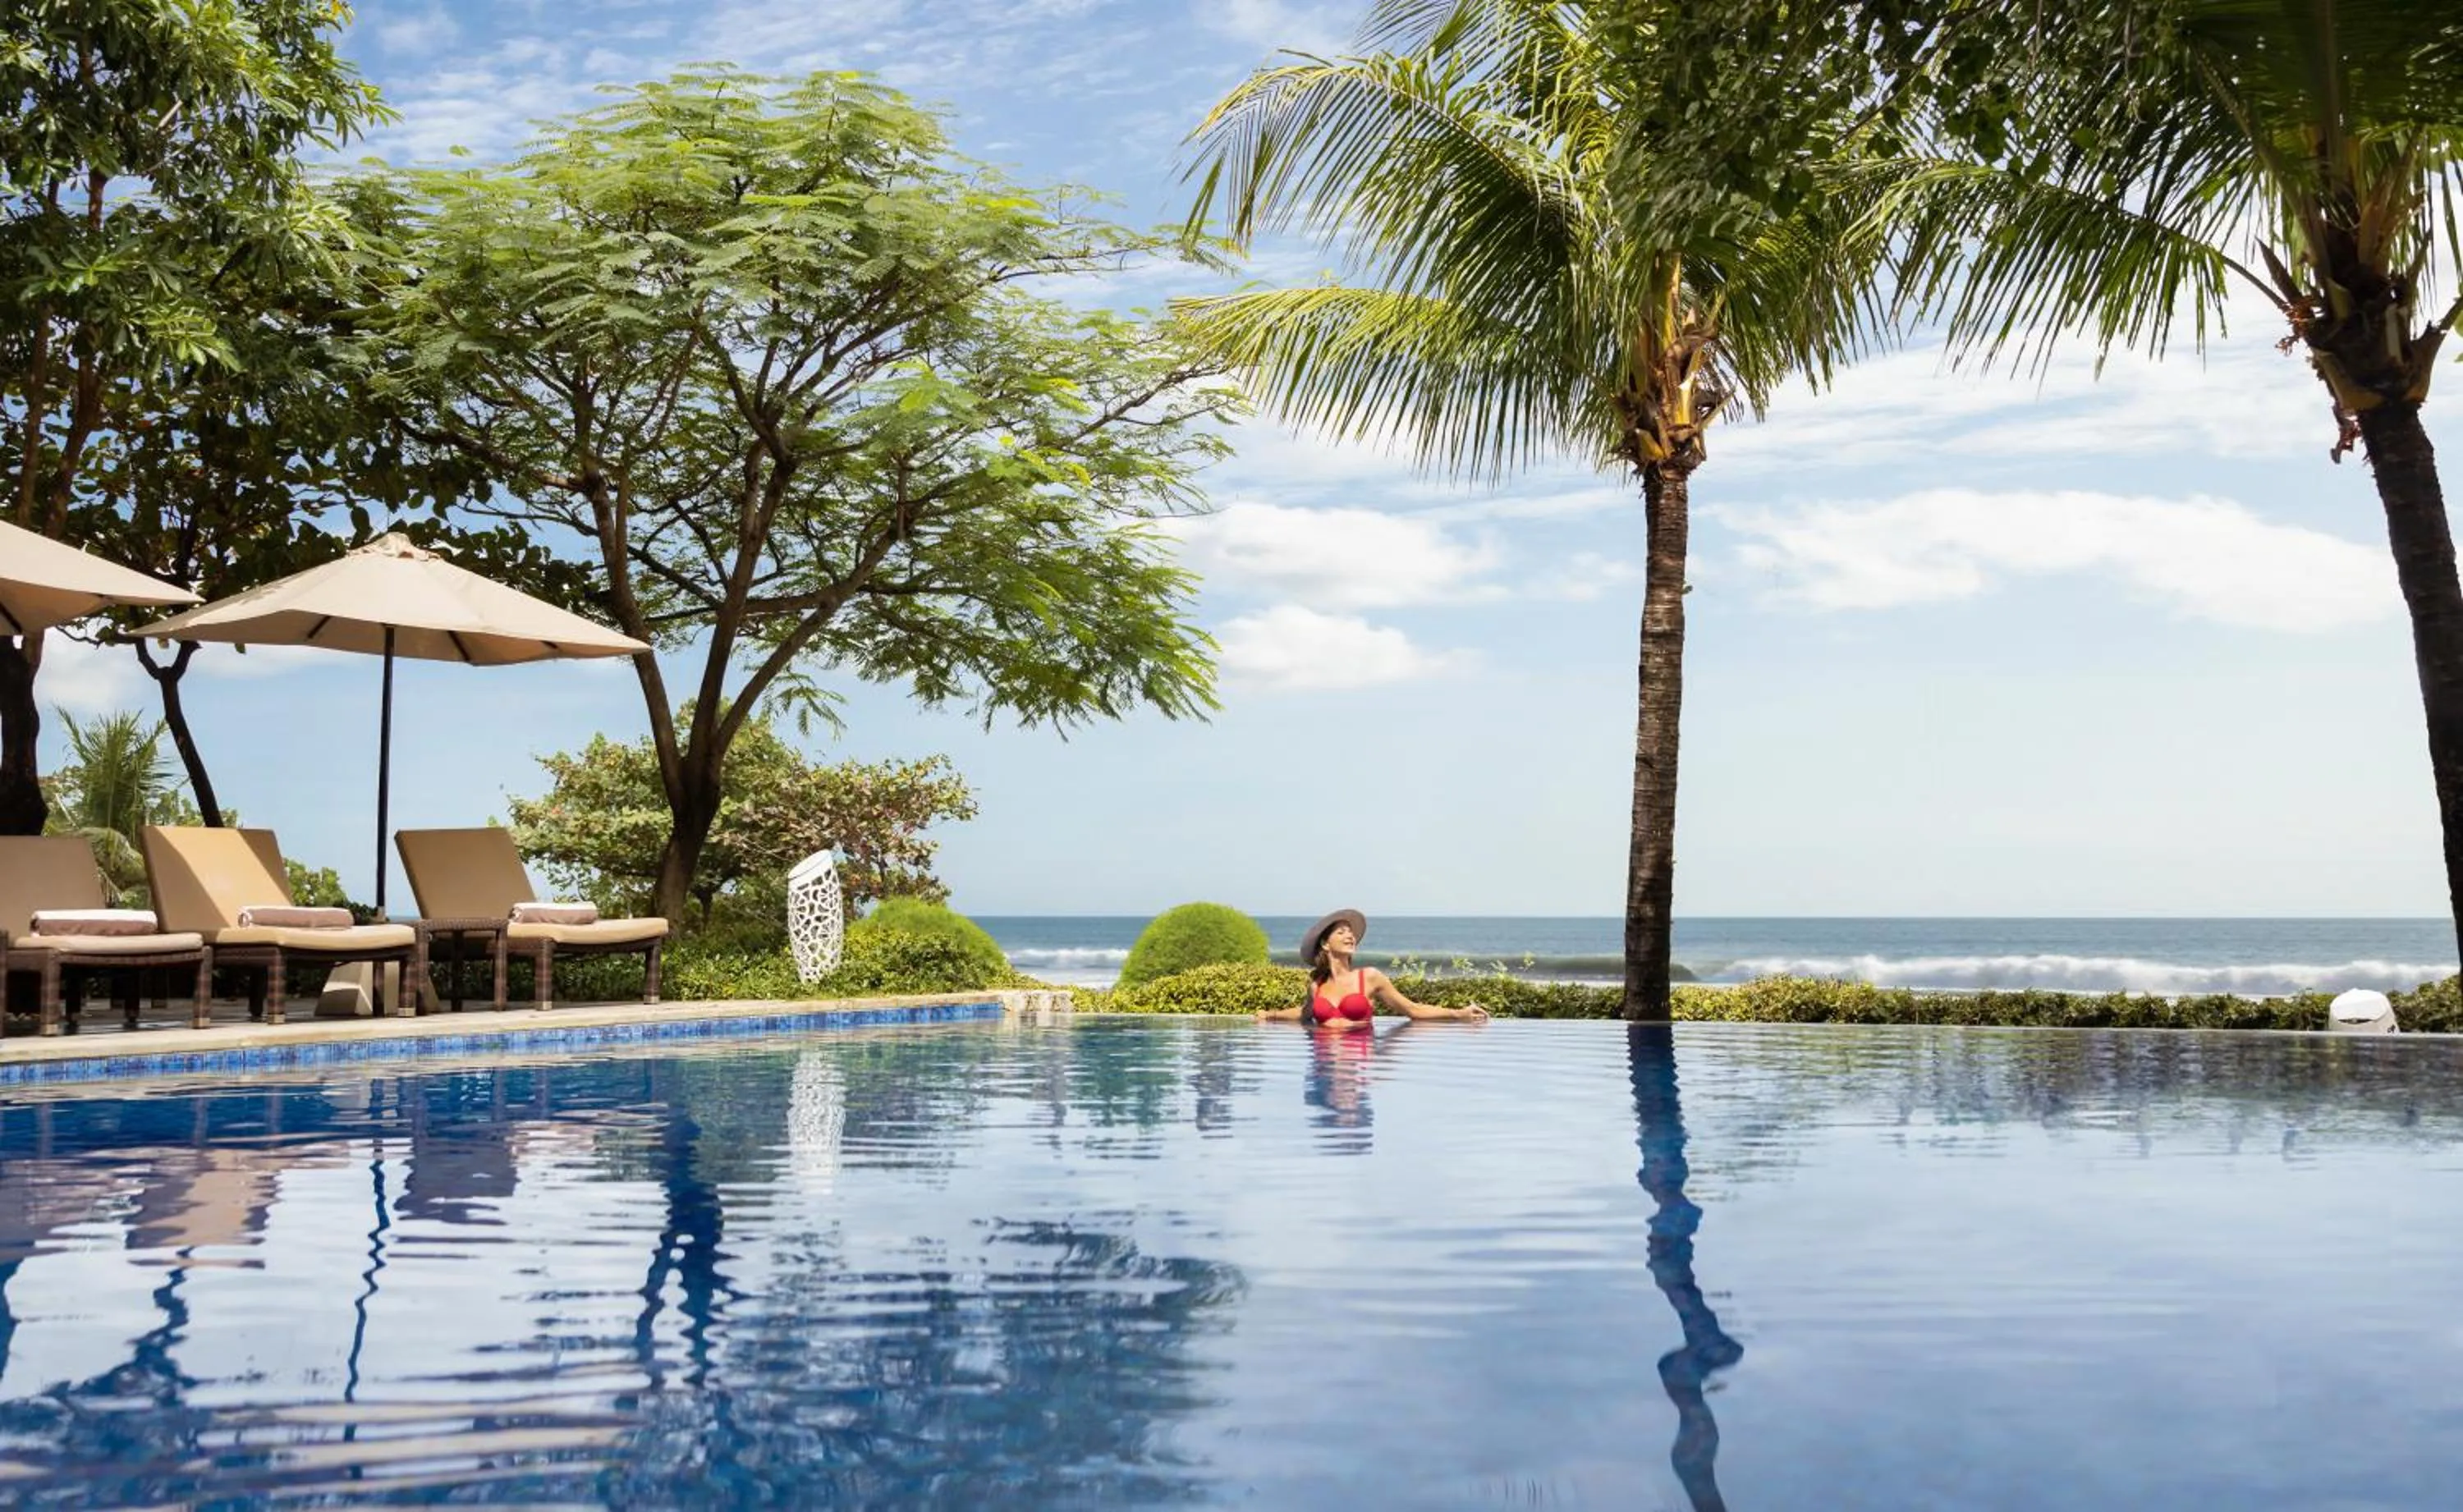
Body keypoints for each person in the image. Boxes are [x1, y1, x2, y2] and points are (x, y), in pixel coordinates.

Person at [1256, 909, 1489, 1029]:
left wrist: (1458, 1014)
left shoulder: (1369, 978)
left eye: (1351, 932)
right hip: (1323, 1062)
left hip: (1357, 1058)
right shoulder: (1317, 985)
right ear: (1326, 944)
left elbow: (1413, 1009)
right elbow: (1304, 1013)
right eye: (1341, 932)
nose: (1350, 935)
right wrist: (1270, 1015)